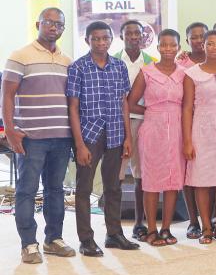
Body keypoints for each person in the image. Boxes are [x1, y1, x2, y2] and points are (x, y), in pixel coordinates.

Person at [3, 8, 77, 263]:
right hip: (31, 137)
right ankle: (28, 244)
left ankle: (53, 239)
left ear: (63, 29)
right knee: (26, 190)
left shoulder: (68, 61)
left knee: (55, 190)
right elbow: (7, 96)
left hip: (61, 137)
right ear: (38, 24)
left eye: (59, 24)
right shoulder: (20, 56)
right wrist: (10, 130)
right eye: (49, 22)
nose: (54, 27)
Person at [67, 21, 139, 256]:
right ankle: (86, 239)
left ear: (111, 40)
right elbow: (73, 107)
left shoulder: (119, 66)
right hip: (89, 135)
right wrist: (79, 144)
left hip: (116, 133)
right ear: (87, 40)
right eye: (95, 38)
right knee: (84, 188)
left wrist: (128, 136)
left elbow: (124, 104)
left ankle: (114, 234)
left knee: (114, 187)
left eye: (105, 38)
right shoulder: (78, 67)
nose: (100, 42)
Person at [126, 29, 186, 246]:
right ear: (158, 47)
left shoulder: (184, 74)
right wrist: (152, 112)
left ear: (178, 47)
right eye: (164, 45)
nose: (168, 49)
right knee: (150, 182)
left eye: (172, 45)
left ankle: (166, 229)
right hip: (152, 131)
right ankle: (151, 229)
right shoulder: (147, 71)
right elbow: (130, 102)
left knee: (172, 182)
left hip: (178, 131)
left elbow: (189, 105)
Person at [182, 30, 216, 244]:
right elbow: (187, 108)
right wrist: (187, 140)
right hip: (200, 131)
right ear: (202, 46)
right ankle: (206, 227)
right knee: (201, 181)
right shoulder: (192, 73)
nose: (214, 47)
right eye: (210, 44)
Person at [113, 19, 156, 240]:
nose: (133, 37)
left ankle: (139, 223)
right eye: (128, 34)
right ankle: (114, 224)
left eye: (137, 34)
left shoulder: (151, 63)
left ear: (143, 37)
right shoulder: (112, 61)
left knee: (142, 174)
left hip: (142, 121)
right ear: (121, 37)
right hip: (117, 123)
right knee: (116, 175)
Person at [175, 21, 208, 239]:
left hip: (209, 123)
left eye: (201, 36)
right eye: (193, 37)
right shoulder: (180, 63)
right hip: (186, 120)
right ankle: (193, 220)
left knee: (208, 171)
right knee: (189, 172)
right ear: (187, 41)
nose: (198, 41)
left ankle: (210, 218)